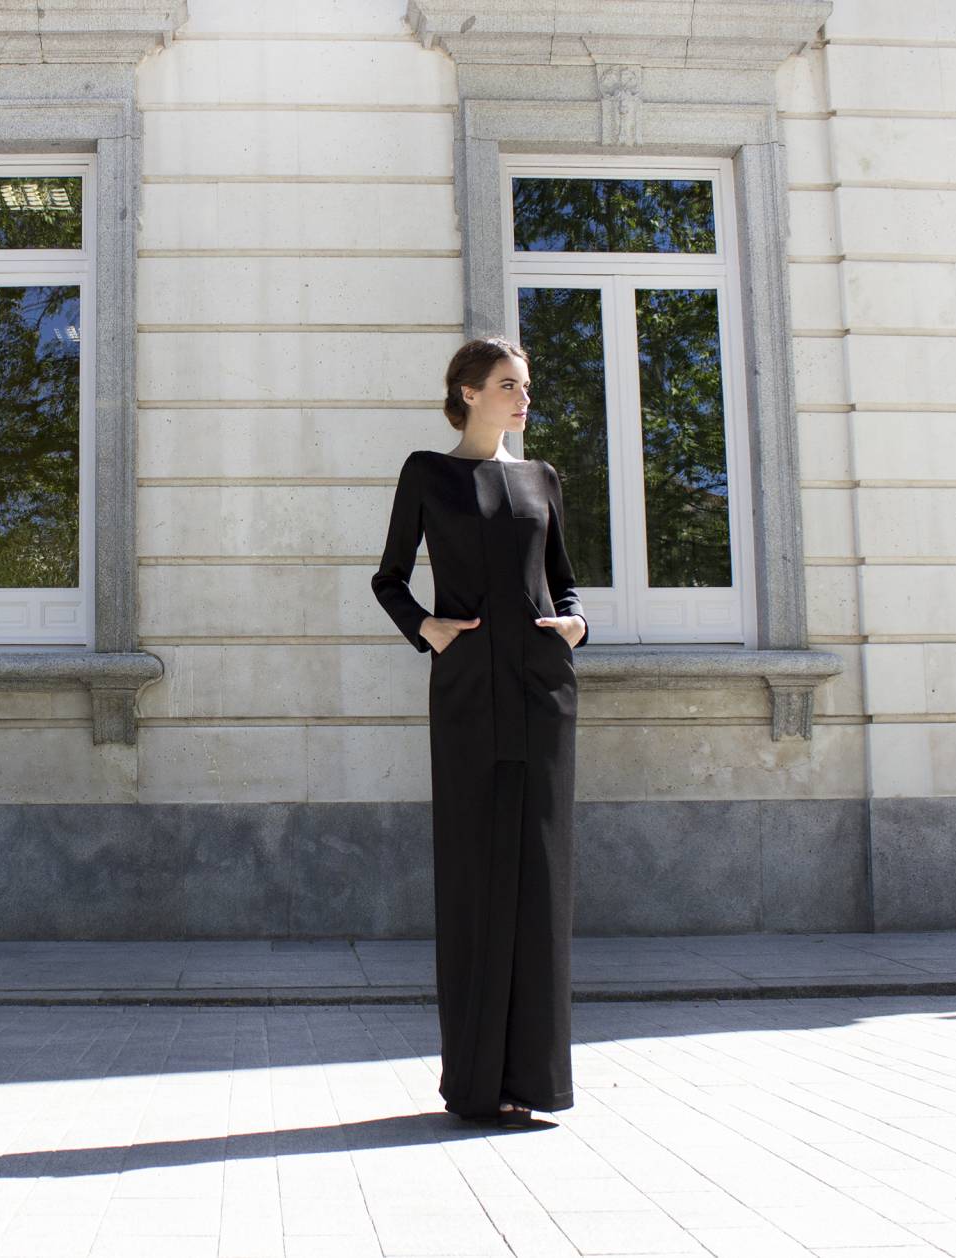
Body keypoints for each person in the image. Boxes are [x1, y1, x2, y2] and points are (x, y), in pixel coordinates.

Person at [370, 336, 589, 1127]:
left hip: (542, 695)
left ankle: (533, 1081)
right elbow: (388, 576)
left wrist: (576, 624)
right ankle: (474, 1082)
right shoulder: (428, 474)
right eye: (507, 385)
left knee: (540, 877)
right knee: (473, 878)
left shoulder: (542, 480)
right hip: (465, 693)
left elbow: (562, 579)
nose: (523, 398)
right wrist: (424, 628)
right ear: (467, 394)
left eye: (525, 385)